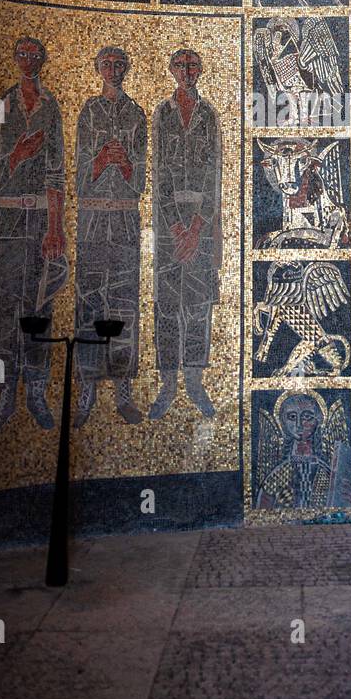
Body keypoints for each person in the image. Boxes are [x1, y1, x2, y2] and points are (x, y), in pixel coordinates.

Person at [0, 37, 66, 437]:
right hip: (8, 219)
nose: (29, 60)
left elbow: (57, 170)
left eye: (36, 55)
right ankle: (4, 393)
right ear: (15, 59)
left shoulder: (51, 107)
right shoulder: (1, 103)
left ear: (43, 60)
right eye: (23, 54)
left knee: (38, 305)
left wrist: (56, 226)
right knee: (5, 306)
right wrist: (17, 154)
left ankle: (35, 390)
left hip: (40, 219)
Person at [73, 45, 146, 428]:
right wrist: (101, 161)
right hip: (91, 221)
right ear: (98, 68)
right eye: (107, 64)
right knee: (89, 302)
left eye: (120, 64)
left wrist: (126, 163)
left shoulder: (136, 114)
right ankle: (86, 390)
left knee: (122, 303)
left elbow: (141, 182)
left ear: (127, 69)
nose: (114, 69)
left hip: (124, 222)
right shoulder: (88, 111)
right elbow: (78, 175)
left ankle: (122, 391)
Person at [148, 48, 221, 420]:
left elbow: (214, 175)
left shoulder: (208, 115)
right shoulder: (162, 113)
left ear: (200, 70)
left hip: (202, 227)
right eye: (180, 65)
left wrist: (196, 228)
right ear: (172, 69)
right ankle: (168, 382)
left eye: (192, 65)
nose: (187, 71)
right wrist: (176, 225)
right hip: (168, 226)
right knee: (167, 305)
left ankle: (194, 380)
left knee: (197, 307)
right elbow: (159, 171)